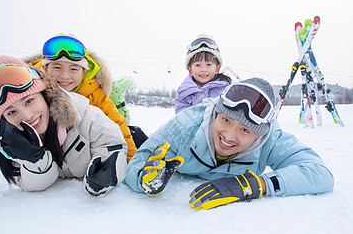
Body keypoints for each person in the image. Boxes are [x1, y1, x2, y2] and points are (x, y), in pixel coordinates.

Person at [125, 77, 334, 210]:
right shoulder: (185, 125)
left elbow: (319, 173)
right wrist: (144, 179)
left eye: (245, 130)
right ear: (216, 114)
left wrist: (257, 185)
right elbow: (136, 163)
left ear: (259, 135)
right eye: (225, 120)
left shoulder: (270, 138)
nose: (229, 136)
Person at [0, 55, 128, 196]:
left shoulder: (88, 118)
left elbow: (114, 146)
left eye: (29, 101)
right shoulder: (12, 142)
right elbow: (30, 184)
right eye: (11, 112)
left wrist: (107, 169)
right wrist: (36, 161)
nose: (27, 116)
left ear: (45, 95)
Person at [175, 34, 232, 114]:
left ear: (217, 68)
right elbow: (180, 118)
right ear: (190, 70)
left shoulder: (226, 90)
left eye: (208, 65)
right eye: (198, 65)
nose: (203, 70)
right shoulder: (184, 92)